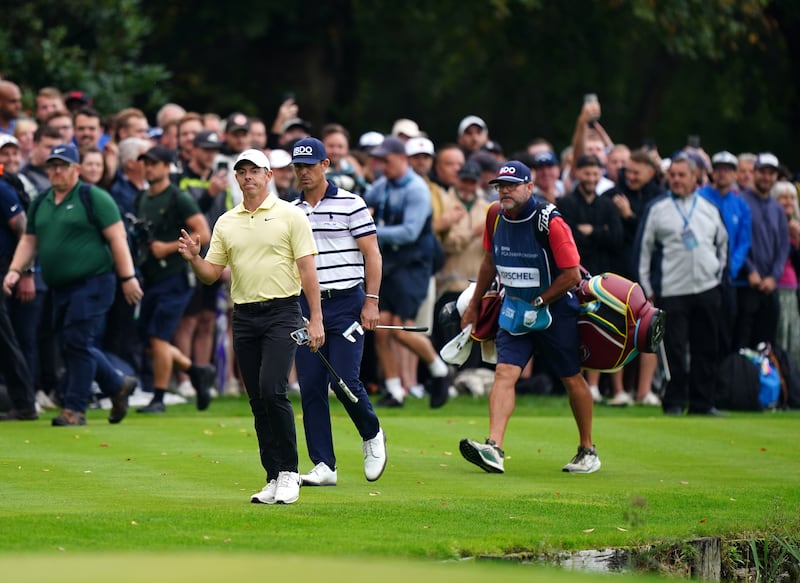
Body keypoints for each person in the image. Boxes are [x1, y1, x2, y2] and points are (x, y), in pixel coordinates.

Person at [178, 147, 323, 505]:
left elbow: (307, 270)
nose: (248, 177)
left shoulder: (290, 215)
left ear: (268, 175)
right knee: (257, 398)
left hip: (283, 312)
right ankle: (272, 476)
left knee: (274, 389)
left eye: (254, 171)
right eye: (241, 172)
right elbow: (212, 275)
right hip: (244, 315)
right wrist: (194, 258)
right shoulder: (227, 221)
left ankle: (290, 472)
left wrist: (316, 317)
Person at [459, 161, 601, 475]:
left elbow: (571, 274)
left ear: (529, 187)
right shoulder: (495, 215)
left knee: (570, 377)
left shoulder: (549, 220)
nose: (505, 191)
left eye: (512, 185)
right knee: (504, 373)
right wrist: (474, 304)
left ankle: (588, 449)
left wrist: (539, 301)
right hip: (515, 309)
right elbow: (489, 261)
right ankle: (493, 447)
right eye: (500, 186)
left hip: (555, 311)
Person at [2, 143, 143, 426]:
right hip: (61, 286)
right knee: (71, 343)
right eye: (52, 165)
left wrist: (128, 278)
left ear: (76, 169)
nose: (56, 171)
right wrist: (16, 270)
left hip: (94, 281)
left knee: (77, 341)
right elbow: (30, 240)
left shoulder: (94, 197)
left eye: (62, 165)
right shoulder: (42, 201)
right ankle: (116, 384)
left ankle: (75, 409)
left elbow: (118, 238)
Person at [288, 137, 387, 486]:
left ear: (326, 165)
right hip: (306, 305)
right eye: (298, 166)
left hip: (347, 303)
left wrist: (371, 301)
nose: (302, 172)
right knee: (312, 385)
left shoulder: (351, 204)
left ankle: (372, 432)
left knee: (344, 380)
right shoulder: (291, 211)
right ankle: (324, 465)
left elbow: (372, 255)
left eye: (309, 165)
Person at [364, 136, 451, 409]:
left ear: (402, 160)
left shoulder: (416, 189)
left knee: (401, 330)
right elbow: (364, 207)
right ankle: (394, 391)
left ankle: (440, 370)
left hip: (413, 266)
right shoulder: (382, 186)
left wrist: (370, 230)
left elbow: (410, 232)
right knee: (380, 329)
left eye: (386, 161)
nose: (381, 166)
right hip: (390, 265)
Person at [638, 155, 728, 416]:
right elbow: (643, 251)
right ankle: (675, 402)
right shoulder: (658, 209)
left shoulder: (709, 208)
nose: (676, 180)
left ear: (694, 177)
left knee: (706, 348)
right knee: (674, 349)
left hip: (707, 287)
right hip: (673, 290)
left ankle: (703, 403)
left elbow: (723, 245)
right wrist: (646, 288)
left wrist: (717, 277)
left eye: (681, 175)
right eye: (673, 175)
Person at [133, 145, 215, 414]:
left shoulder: (179, 197)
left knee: (158, 337)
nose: (148, 168)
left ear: (167, 167)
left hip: (175, 277)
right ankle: (197, 371)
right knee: (149, 341)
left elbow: (203, 232)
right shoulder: (142, 197)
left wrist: (167, 248)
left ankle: (158, 397)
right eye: (145, 163)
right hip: (152, 277)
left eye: (154, 163)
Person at [557, 154, 625, 404]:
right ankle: (580, 386)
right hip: (572, 277)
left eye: (596, 174)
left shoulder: (607, 205)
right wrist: (600, 234)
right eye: (587, 173)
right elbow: (569, 239)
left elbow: (617, 239)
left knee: (600, 330)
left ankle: (597, 387)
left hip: (602, 279)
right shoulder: (565, 203)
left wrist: (592, 231)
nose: (591, 178)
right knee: (573, 331)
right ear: (577, 174)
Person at [698, 151, 752, 357]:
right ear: (712, 172)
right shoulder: (700, 198)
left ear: (735, 174)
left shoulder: (740, 204)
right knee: (704, 332)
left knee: (727, 331)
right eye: (718, 169)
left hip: (729, 279)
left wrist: (731, 268)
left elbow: (743, 241)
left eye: (727, 170)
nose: (722, 174)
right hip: (704, 276)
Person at [733, 153, 789, 351]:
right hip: (747, 284)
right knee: (743, 341)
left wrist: (774, 276)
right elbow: (737, 241)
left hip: (770, 286)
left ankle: (766, 381)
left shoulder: (777, 208)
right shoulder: (741, 201)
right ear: (755, 172)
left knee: (767, 344)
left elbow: (783, 245)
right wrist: (750, 270)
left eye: (771, 173)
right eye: (763, 172)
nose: (766, 177)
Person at [0, 170, 37, 420]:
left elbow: (23, 230)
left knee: (4, 336)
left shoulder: (2, 189)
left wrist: (26, 271)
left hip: (3, 266)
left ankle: (24, 403)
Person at [770, 180, 800, 371]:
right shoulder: (773, 224)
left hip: (793, 289)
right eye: (783, 197)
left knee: (794, 339)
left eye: (791, 197)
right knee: (779, 337)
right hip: (777, 287)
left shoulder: (796, 226)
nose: (788, 201)